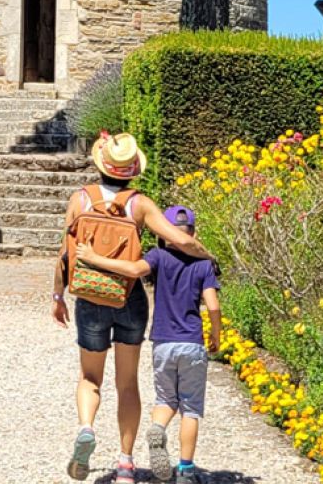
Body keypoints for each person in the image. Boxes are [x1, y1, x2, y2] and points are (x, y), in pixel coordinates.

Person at [54, 132, 212, 483]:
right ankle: (126, 463)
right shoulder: (139, 203)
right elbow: (178, 239)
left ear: (101, 165)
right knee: (127, 383)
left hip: (91, 296)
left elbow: (66, 253)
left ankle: (86, 428)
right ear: (132, 170)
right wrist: (208, 256)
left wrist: (57, 295)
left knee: (90, 377)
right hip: (129, 297)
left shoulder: (79, 199)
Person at [75, 203, 224, 484]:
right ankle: (186, 471)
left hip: (163, 343)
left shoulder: (159, 257)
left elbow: (131, 269)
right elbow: (213, 306)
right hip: (192, 342)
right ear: (193, 232)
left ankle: (157, 426)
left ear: (165, 232)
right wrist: (216, 333)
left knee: (166, 399)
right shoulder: (204, 265)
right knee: (190, 409)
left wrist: (94, 258)